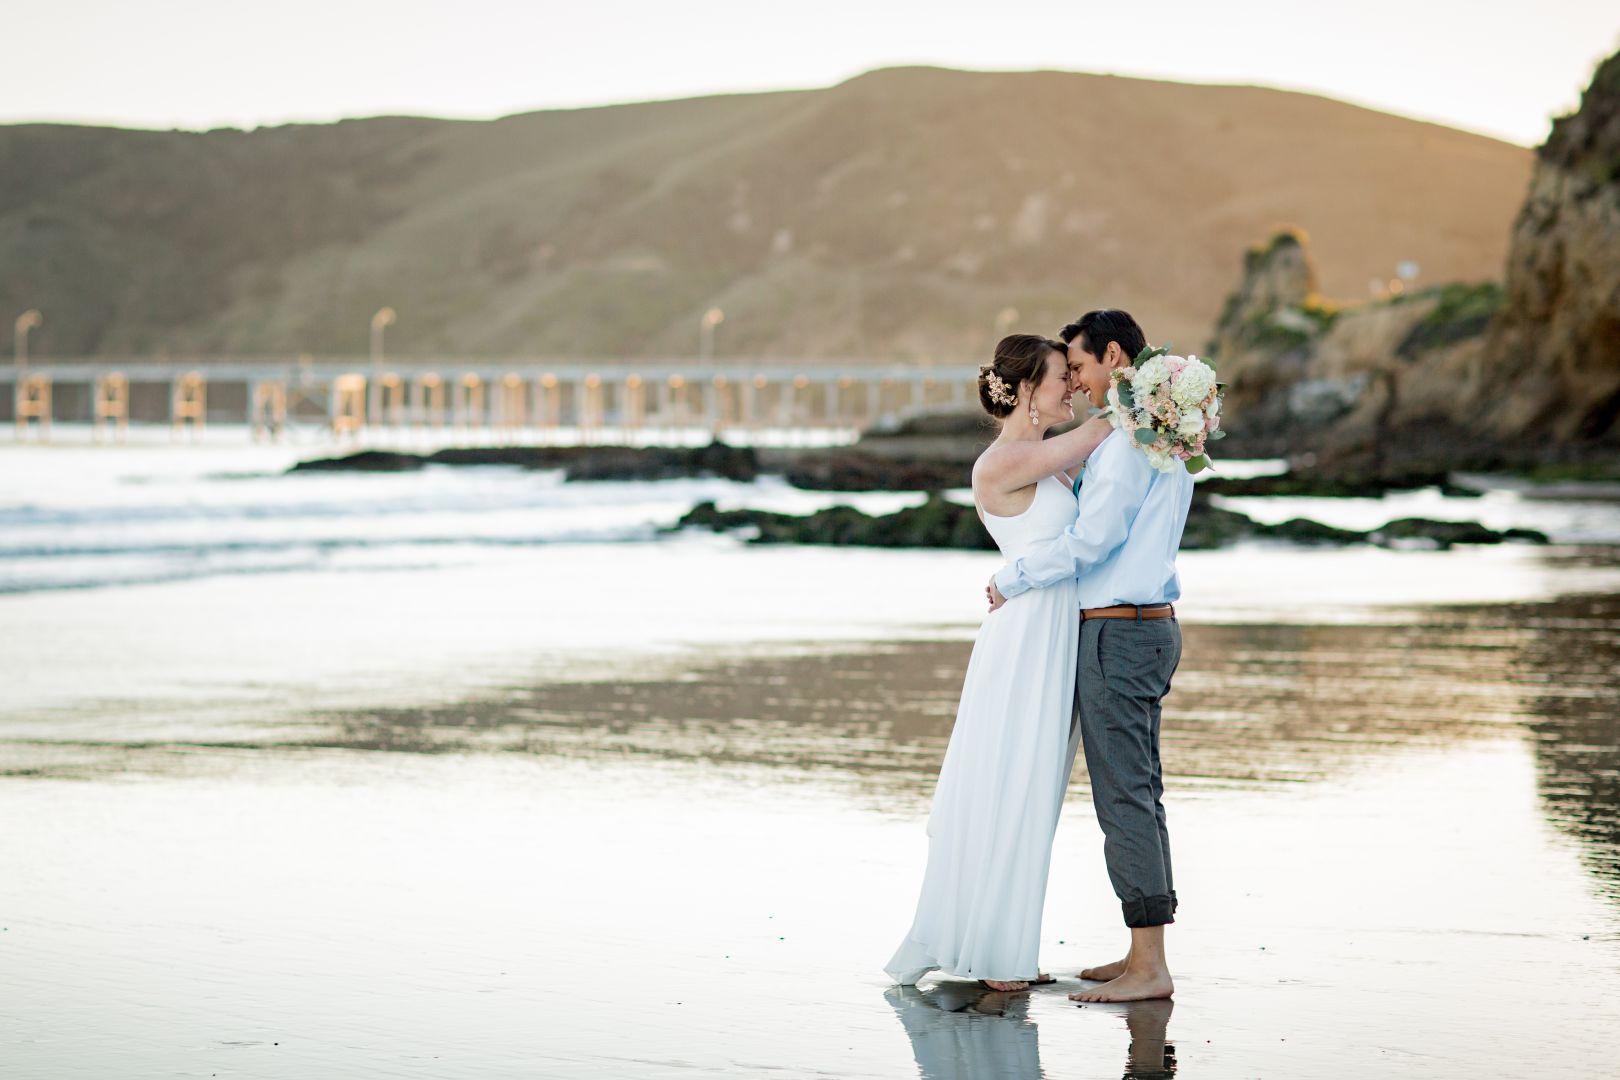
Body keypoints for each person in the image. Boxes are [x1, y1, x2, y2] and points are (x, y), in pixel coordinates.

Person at [885, 333, 1113, 991]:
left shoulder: (1045, 460)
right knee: (1011, 786)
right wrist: (1152, 389)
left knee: (1033, 791)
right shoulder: (1003, 463)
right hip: (1023, 641)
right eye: (1058, 379)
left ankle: (1003, 946)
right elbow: (1097, 433)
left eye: (1073, 377)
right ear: (1022, 392)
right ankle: (996, 957)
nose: (1071, 386)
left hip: (1050, 630)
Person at [987, 309, 1194, 1003]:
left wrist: (1011, 580)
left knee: (1125, 795)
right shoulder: (1156, 434)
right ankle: (1142, 951)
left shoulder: (1132, 441)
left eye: (1077, 365)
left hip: (1120, 631)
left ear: (1113, 356)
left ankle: (1149, 965)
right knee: (1136, 790)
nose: (1073, 379)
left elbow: (1095, 540)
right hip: (1142, 624)